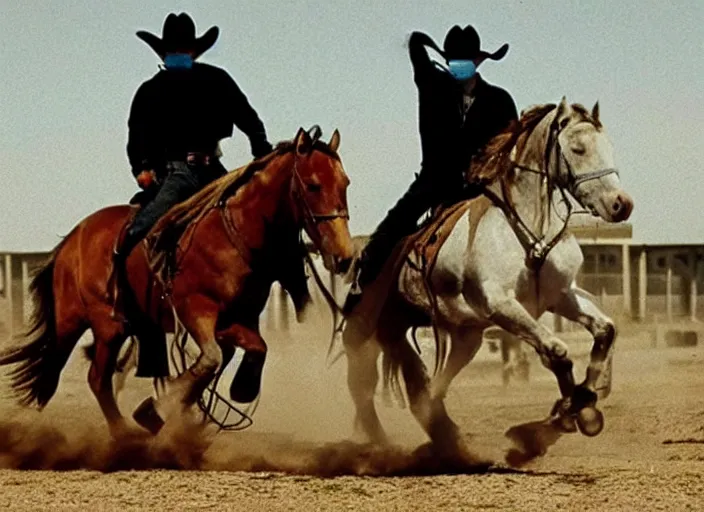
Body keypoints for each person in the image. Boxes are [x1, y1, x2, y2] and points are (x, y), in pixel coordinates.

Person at [342, 24, 519, 315]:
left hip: (482, 186)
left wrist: (486, 171)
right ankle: (362, 282)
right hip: (435, 179)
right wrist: (428, 43)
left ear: (477, 62)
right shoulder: (431, 83)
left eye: (464, 62)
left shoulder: (500, 101)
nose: (457, 68)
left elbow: (510, 145)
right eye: (453, 62)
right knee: (395, 224)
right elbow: (415, 46)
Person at [111, 12, 274, 321]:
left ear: (193, 52)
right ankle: (126, 294)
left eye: (182, 50)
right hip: (175, 173)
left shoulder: (216, 79)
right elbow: (137, 136)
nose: (179, 55)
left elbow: (248, 118)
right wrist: (141, 169)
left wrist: (261, 150)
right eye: (175, 51)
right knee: (141, 228)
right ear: (167, 53)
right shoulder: (152, 90)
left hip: (214, 173)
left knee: (255, 222)